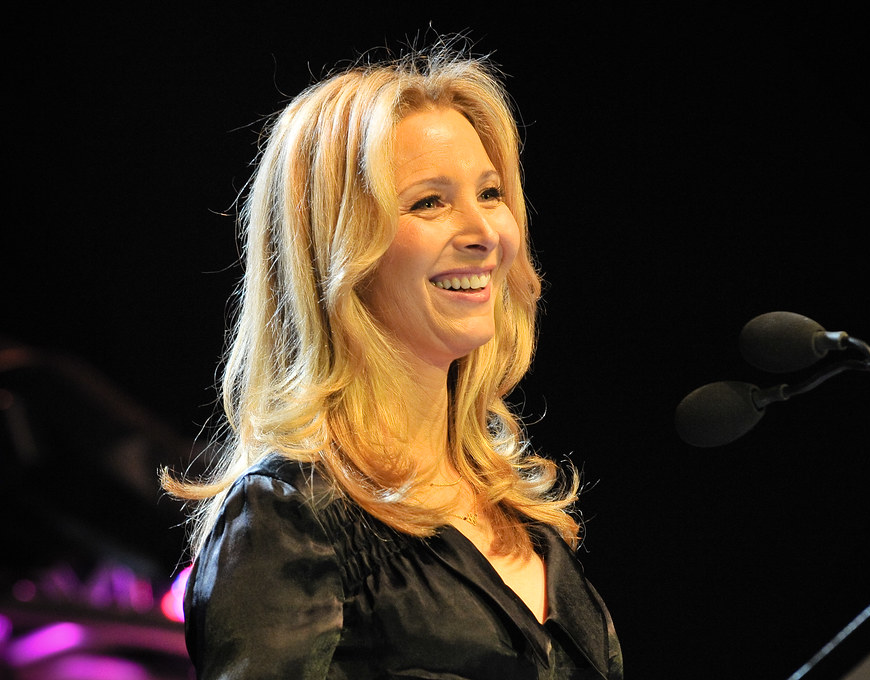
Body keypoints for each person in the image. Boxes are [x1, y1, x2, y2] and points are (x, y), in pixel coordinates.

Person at [162, 41, 623, 680]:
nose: (485, 233)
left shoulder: (522, 519)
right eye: (429, 201)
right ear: (337, 247)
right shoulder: (289, 517)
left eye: (490, 193)